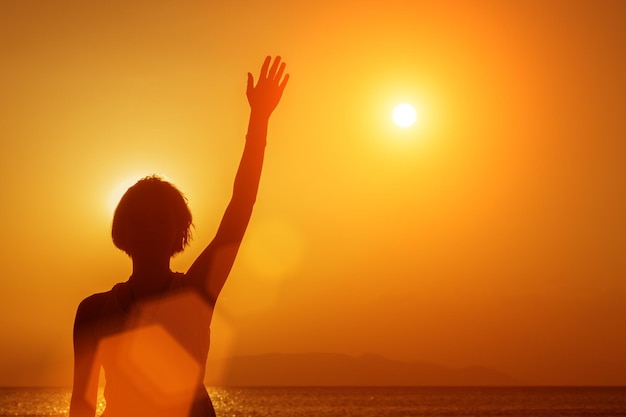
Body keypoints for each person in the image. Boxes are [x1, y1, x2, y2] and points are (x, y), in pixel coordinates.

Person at [70, 56, 289, 417]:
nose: (150, 229)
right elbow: (82, 403)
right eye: (139, 221)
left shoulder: (195, 293)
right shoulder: (93, 311)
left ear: (179, 231)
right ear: (122, 230)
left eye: (160, 220)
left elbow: (240, 208)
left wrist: (260, 119)